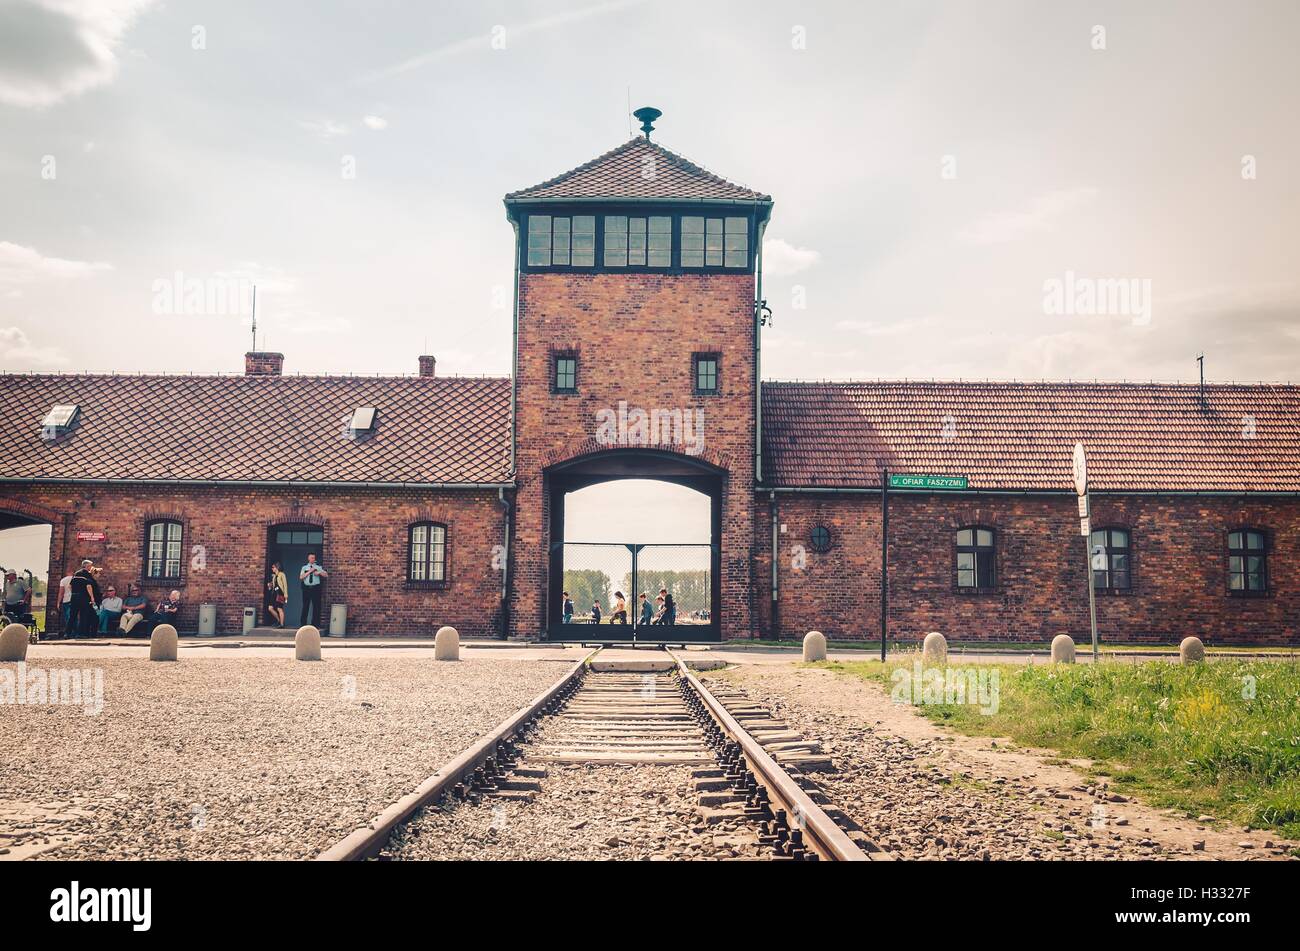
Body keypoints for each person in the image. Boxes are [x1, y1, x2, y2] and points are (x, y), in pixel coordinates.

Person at [68, 560, 99, 637]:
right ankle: (82, 634)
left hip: (74, 596)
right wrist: (92, 597)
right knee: (83, 615)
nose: (91, 567)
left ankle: (67, 633)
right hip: (83, 597)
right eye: (90, 566)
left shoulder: (76, 574)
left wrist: (74, 593)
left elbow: (70, 586)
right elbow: (88, 586)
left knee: (72, 616)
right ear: (87, 566)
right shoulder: (87, 574)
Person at [298, 553, 328, 626]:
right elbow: (301, 577)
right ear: (308, 558)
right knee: (305, 606)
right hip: (306, 588)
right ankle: (303, 623)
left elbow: (326, 575)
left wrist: (319, 572)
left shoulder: (318, 567)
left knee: (316, 606)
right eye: (311, 558)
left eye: (314, 558)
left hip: (315, 588)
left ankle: (315, 624)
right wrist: (310, 571)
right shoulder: (304, 567)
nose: (313, 559)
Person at [264, 561, 287, 627]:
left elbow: (285, 585)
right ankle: (279, 620)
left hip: (280, 593)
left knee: (279, 608)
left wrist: (286, 594)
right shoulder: (274, 576)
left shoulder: (282, 574)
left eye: (273, 567)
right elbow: (273, 586)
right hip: (274, 594)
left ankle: (282, 624)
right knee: (270, 608)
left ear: (277, 567)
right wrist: (270, 586)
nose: (272, 569)